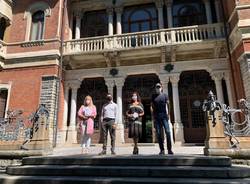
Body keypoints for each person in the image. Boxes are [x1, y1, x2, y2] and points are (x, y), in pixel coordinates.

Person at [151, 83, 174, 155]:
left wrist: (169, 114)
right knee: (158, 133)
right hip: (157, 116)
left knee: (168, 131)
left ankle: (169, 149)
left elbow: (168, 104)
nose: (158, 88)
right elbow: (151, 106)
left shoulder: (165, 95)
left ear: (161, 88)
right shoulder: (153, 96)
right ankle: (162, 150)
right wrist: (152, 116)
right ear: (155, 88)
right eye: (156, 87)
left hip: (164, 116)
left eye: (159, 87)